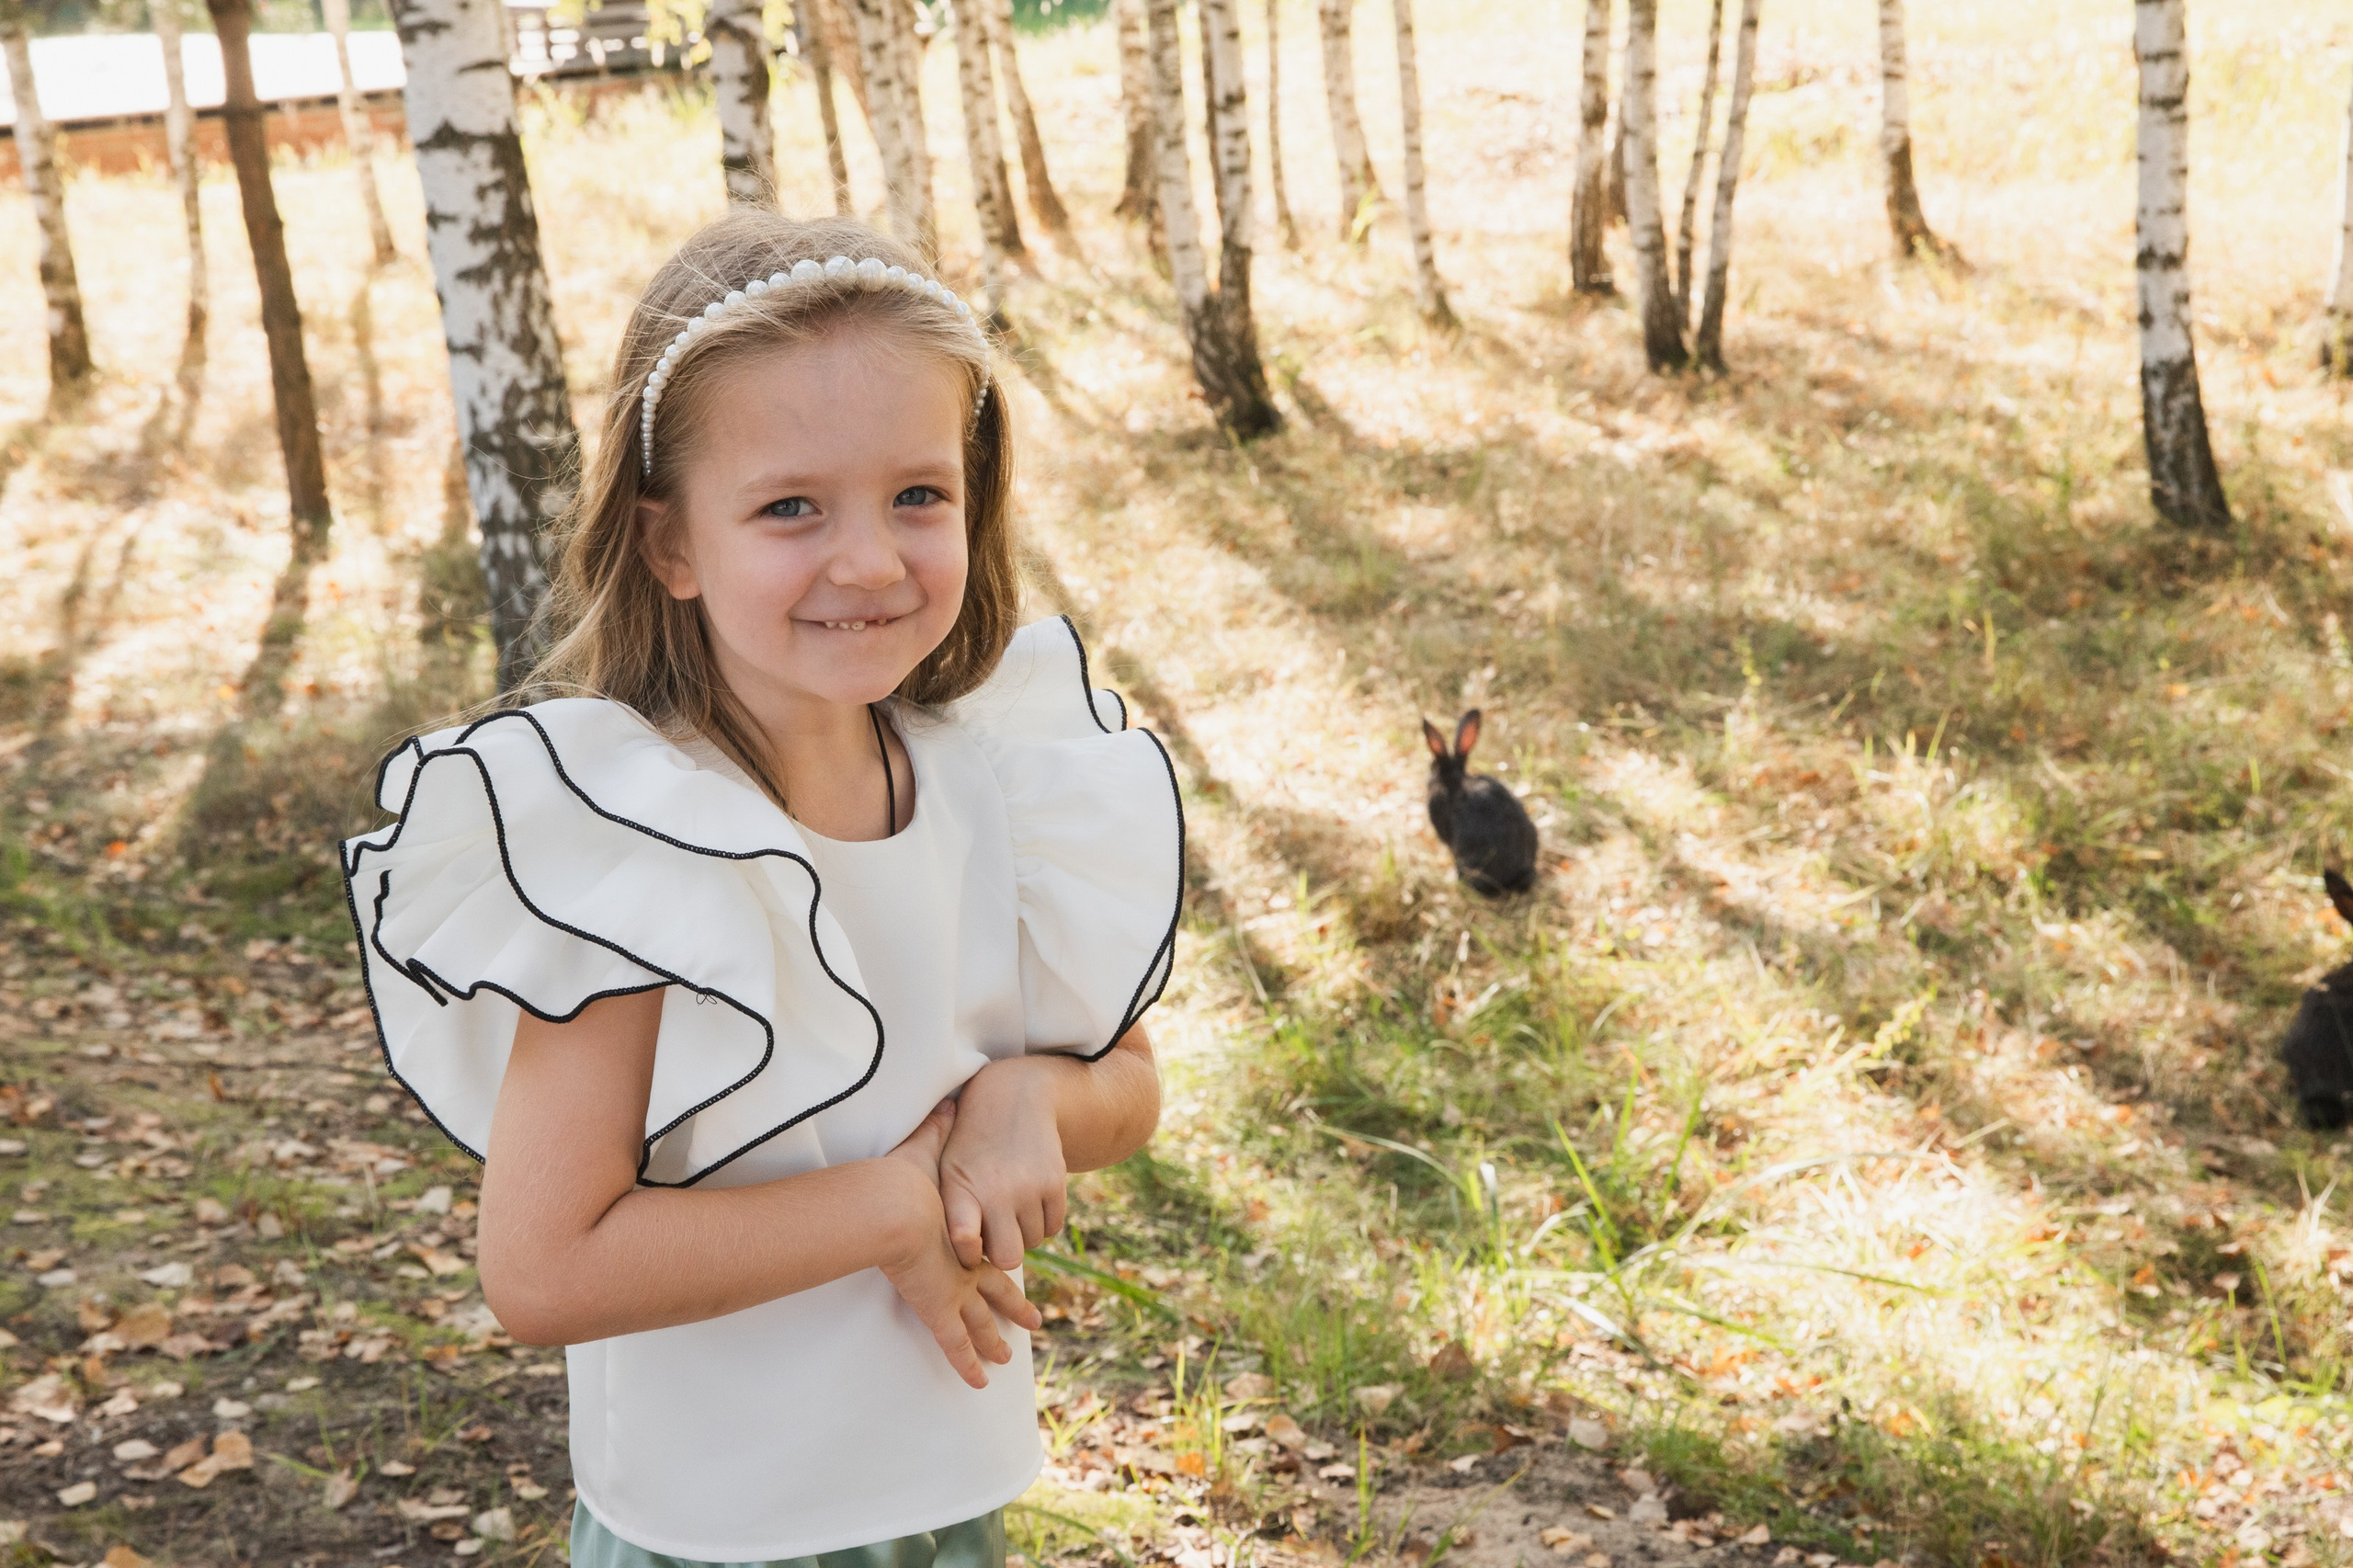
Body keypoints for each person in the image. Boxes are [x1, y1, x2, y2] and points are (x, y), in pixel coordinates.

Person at [340, 211, 1184, 1568]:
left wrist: (1028, 1097)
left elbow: (1128, 1083)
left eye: (918, 495)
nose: (868, 558)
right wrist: (896, 1210)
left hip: (940, 1490)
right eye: (792, 506)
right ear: (671, 544)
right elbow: (545, 1266)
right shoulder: (631, 843)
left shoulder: (998, 785)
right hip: (714, 1526)